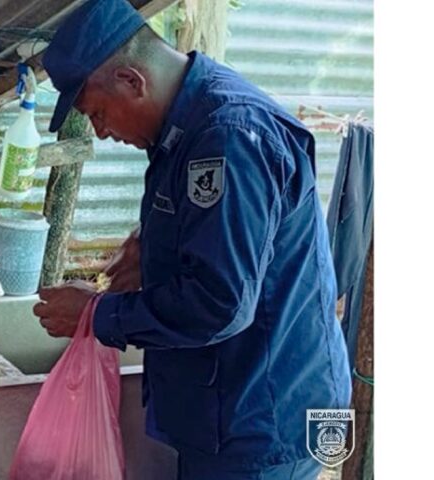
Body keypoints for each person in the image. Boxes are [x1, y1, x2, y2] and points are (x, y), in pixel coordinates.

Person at [32, 0, 353, 478]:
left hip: (264, 419)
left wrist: (97, 313)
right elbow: (225, 229)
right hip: (237, 407)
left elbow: (220, 302)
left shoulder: (228, 137)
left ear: (132, 81)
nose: (100, 132)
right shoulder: (188, 127)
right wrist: (153, 245)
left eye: (97, 113)